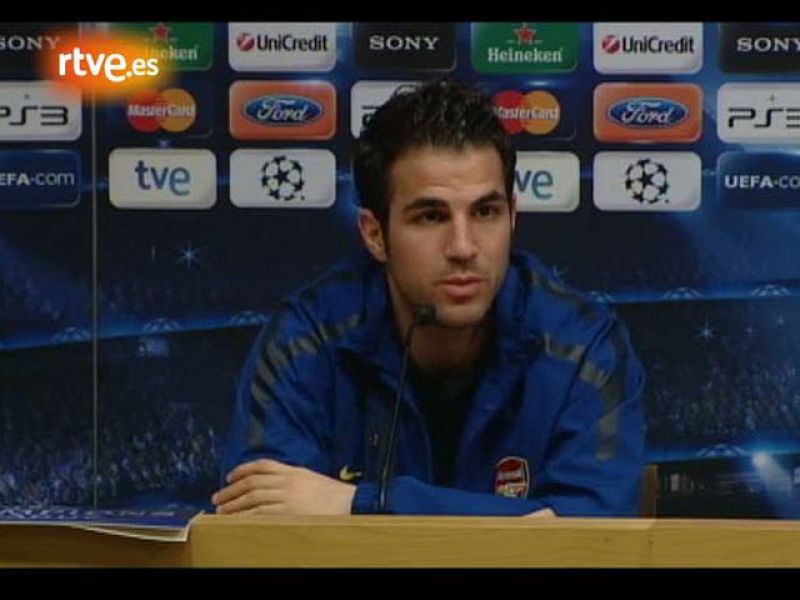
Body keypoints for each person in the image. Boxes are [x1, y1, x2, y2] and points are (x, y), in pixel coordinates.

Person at [213, 78, 644, 517]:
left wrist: (358, 503)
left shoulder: (584, 347)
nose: (463, 247)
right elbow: (258, 520)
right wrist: (524, 524)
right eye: (431, 217)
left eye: (486, 212)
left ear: (513, 216)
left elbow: (591, 534)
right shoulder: (307, 340)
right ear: (375, 234)